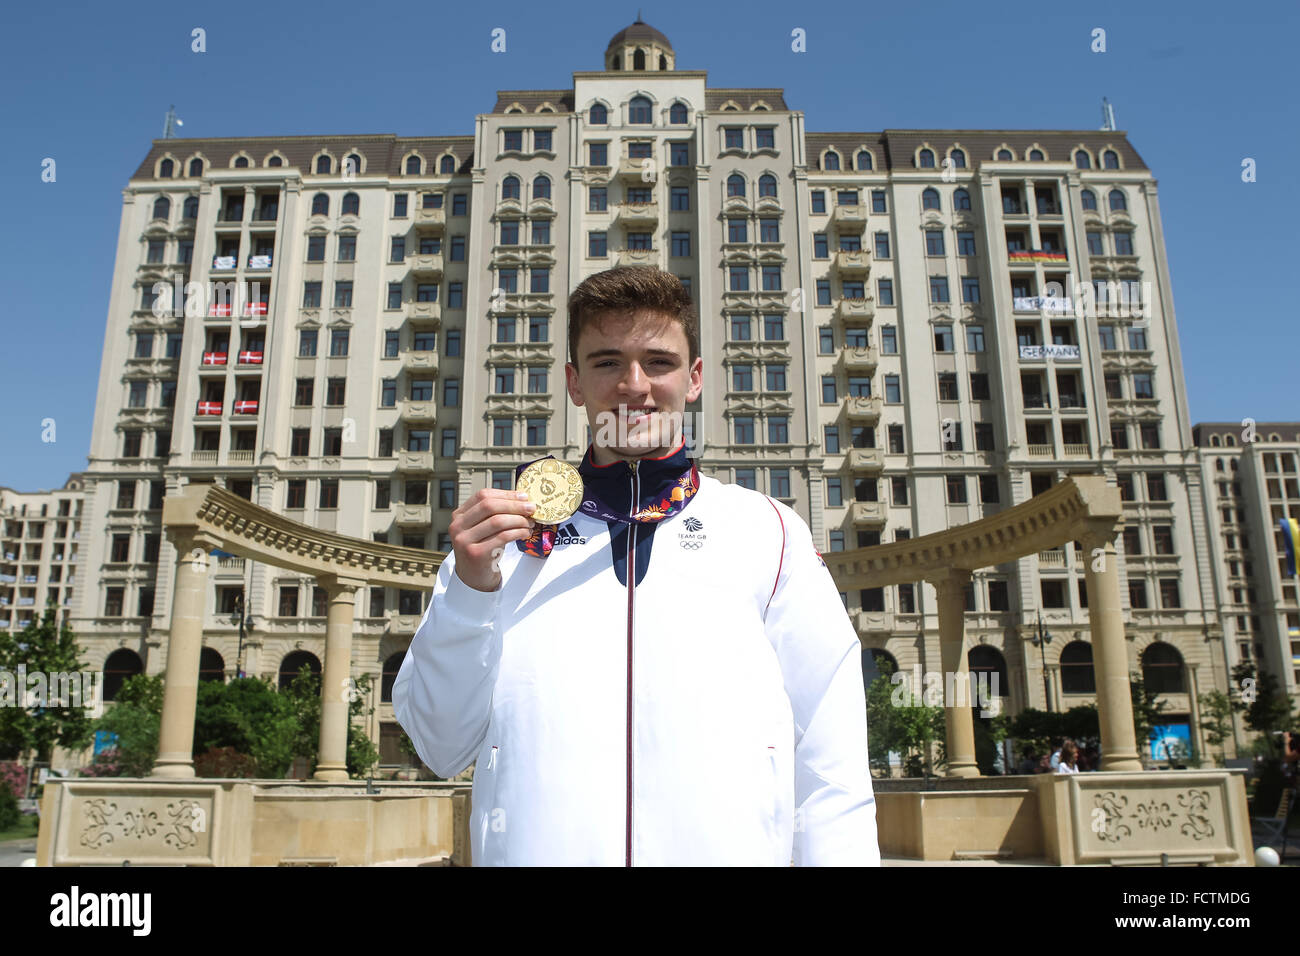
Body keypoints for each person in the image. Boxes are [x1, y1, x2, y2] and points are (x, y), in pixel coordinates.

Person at [394, 267, 880, 866]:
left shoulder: (769, 533)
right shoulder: (498, 545)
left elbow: (832, 764)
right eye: (605, 363)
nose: (634, 385)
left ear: (694, 379)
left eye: (658, 361)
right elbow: (440, 748)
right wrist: (468, 595)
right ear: (574, 383)